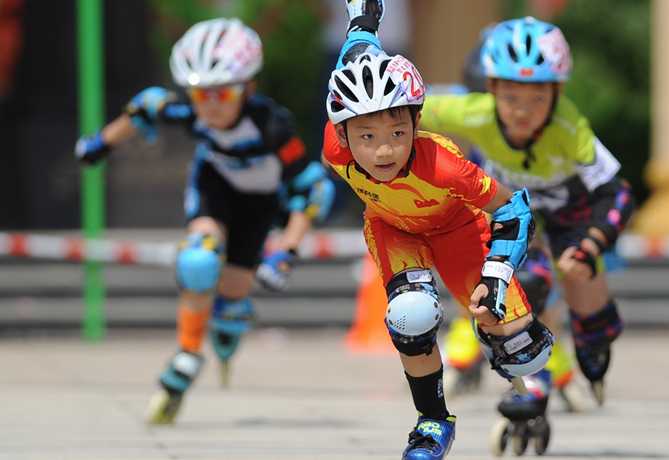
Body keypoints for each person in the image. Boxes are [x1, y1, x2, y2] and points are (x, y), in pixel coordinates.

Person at [74, 18, 334, 425]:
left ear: (247, 87)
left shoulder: (272, 126)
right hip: (215, 188)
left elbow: (313, 189)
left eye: (222, 93)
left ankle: (228, 322)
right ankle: (187, 354)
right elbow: (146, 107)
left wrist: (286, 249)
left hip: (260, 204)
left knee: (231, 304)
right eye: (199, 94)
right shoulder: (191, 113)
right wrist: (101, 143)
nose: (209, 105)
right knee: (199, 261)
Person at [322, 2, 554, 458]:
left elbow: (515, 208)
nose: (384, 150)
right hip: (394, 229)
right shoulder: (334, 147)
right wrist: (362, 17)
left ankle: (500, 353)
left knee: (527, 352)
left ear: (417, 123)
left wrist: (497, 276)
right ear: (344, 136)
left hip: (457, 231)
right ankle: (432, 420)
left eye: (397, 132)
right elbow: (357, 47)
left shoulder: (444, 167)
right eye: (366, 137)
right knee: (410, 316)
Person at [421, 17, 635, 407]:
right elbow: (403, 110)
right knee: (525, 282)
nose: (522, 113)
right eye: (511, 99)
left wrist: (592, 244)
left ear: (557, 94)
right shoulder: (473, 112)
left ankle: (589, 347)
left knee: (590, 313)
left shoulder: (570, 128)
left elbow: (617, 193)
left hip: (571, 215)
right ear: (491, 90)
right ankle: (531, 378)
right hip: (519, 213)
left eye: (537, 100)